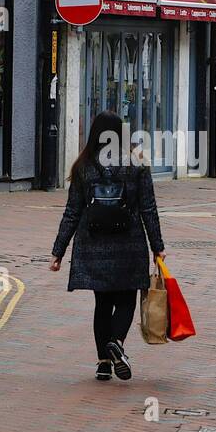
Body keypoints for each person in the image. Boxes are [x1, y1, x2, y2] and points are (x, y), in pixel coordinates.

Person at [50, 111, 166, 382]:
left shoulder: (84, 166)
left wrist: (58, 251)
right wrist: (157, 246)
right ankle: (116, 343)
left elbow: (72, 212)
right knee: (126, 299)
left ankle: (104, 363)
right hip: (129, 244)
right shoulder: (136, 164)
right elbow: (148, 209)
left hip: (93, 245)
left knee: (102, 302)